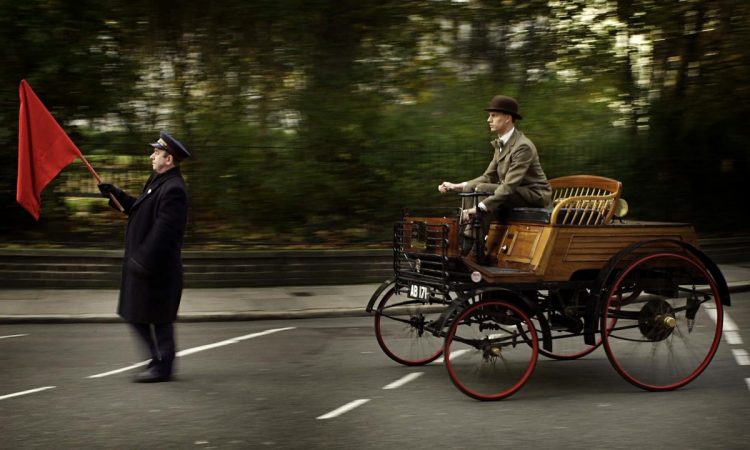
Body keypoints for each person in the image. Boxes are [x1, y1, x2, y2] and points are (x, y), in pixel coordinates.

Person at [98, 131, 190, 382]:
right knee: (134, 313)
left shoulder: (174, 190)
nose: (152, 156)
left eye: (156, 153)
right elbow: (141, 210)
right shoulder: (158, 180)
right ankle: (158, 359)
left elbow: (164, 232)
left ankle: (163, 366)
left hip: (156, 270)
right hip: (144, 266)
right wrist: (115, 194)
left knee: (158, 319)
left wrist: (143, 260)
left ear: (168, 159)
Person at [438, 95, 552, 225]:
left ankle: (473, 240)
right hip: (514, 192)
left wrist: (479, 208)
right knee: (470, 187)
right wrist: (456, 186)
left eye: (494, 115)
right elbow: (488, 176)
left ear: (508, 118)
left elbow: (509, 185)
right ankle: (465, 235)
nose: (488, 120)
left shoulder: (522, 146)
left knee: (482, 188)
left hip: (533, 196)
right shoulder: (502, 143)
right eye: (489, 115)